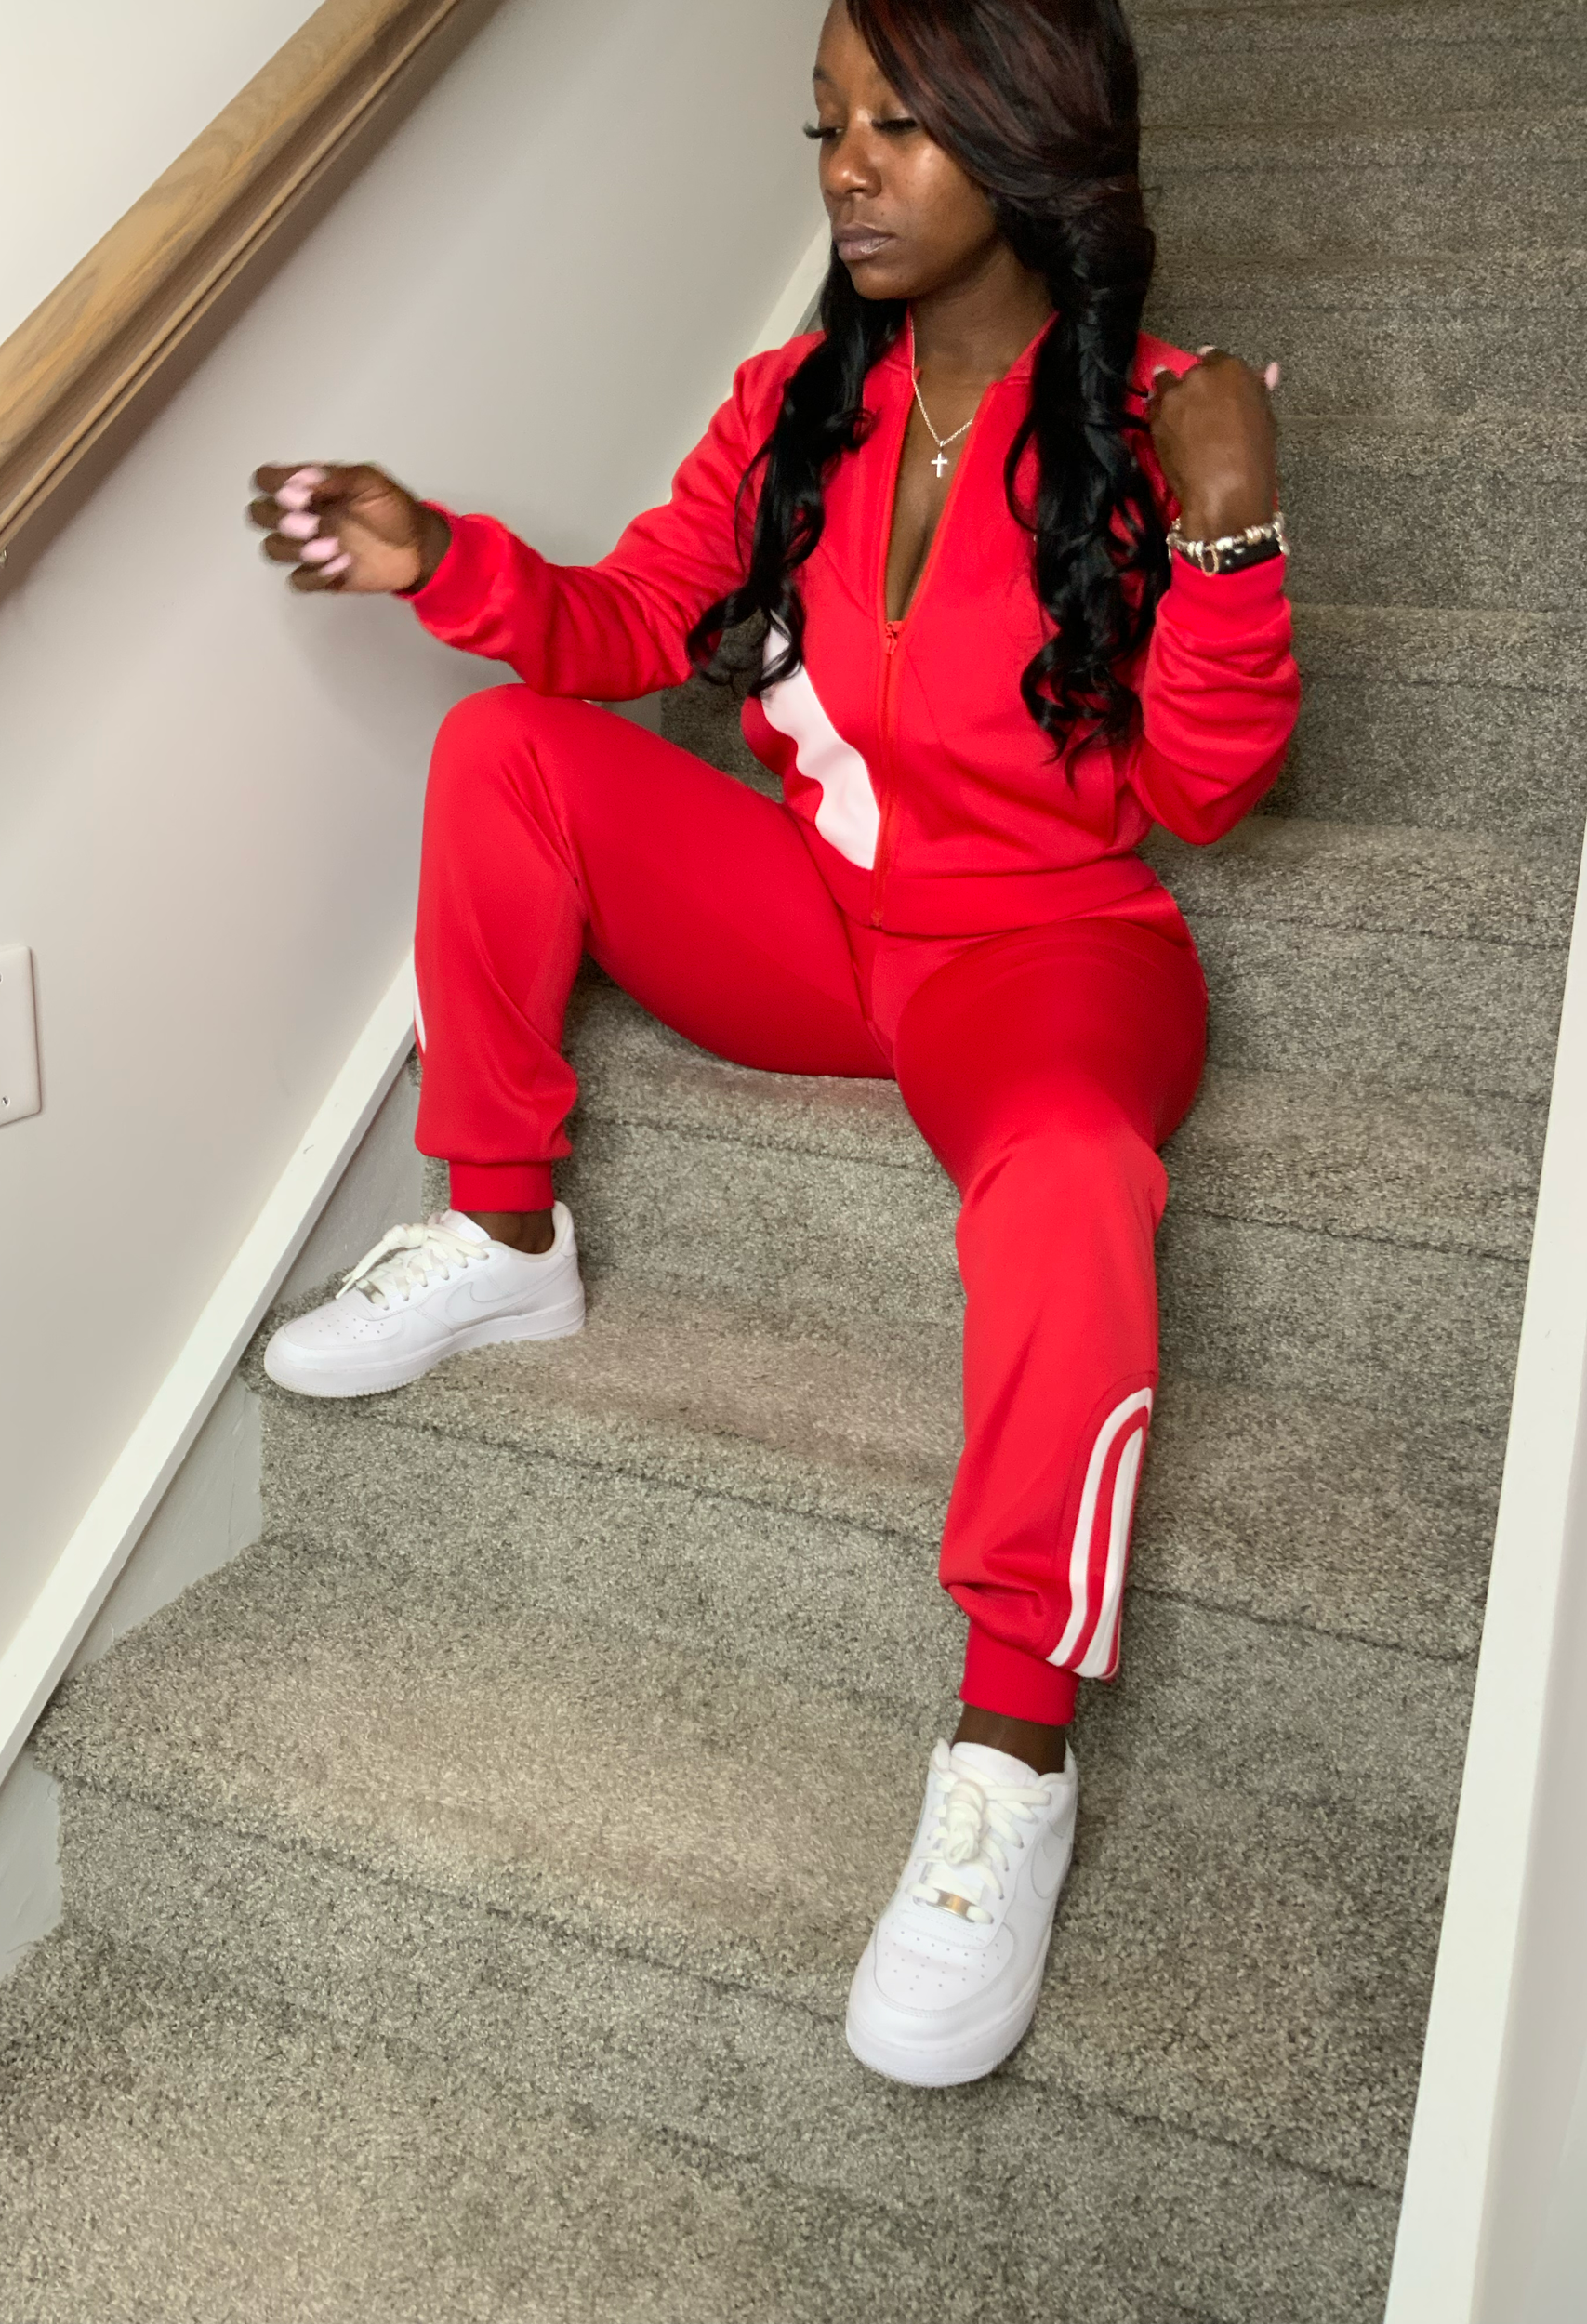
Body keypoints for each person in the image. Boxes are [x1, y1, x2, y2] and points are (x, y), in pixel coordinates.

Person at [247, 0, 1296, 2090]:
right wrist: (436, 550)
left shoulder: (1158, 418)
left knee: (1075, 1170)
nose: (843, 167)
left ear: (1025, 141)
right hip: (822, 922)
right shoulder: (799, 395)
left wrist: (1232, 520)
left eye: (900, 123)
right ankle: (508, 1234)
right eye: (826, 123)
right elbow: (638, 621)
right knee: (508, 753)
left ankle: (1010, 1744)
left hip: (1042, 952)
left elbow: (1203, 785)